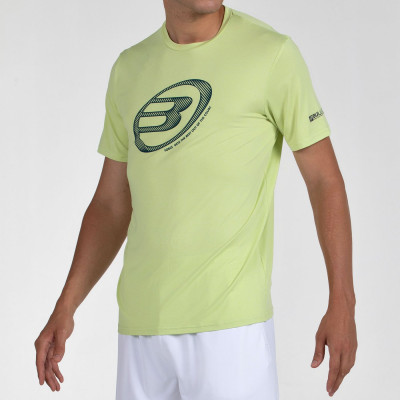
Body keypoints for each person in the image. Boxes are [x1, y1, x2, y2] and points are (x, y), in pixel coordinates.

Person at [34, 1, 358, 398]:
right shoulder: (130, 69)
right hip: (142, 332)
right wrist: (66, 305)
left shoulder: (271, 54)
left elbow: (324, 180)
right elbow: (111, 204)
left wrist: (343, 301)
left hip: (232, 333)